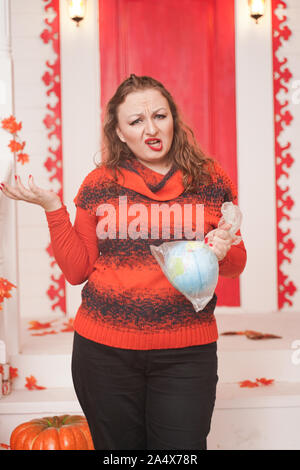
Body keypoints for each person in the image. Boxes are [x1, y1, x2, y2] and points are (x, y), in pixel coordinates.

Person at [0, 74, 247, 450]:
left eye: (160, 116)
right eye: (136, 121)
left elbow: (235, 265)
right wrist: (53, 208)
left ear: (174, 120)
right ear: (118, 132)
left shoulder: (211, 180)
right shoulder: (99, 184)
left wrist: (223, 246)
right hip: (104, 354)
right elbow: (77, 271)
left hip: (185, 354)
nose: (151, 128)